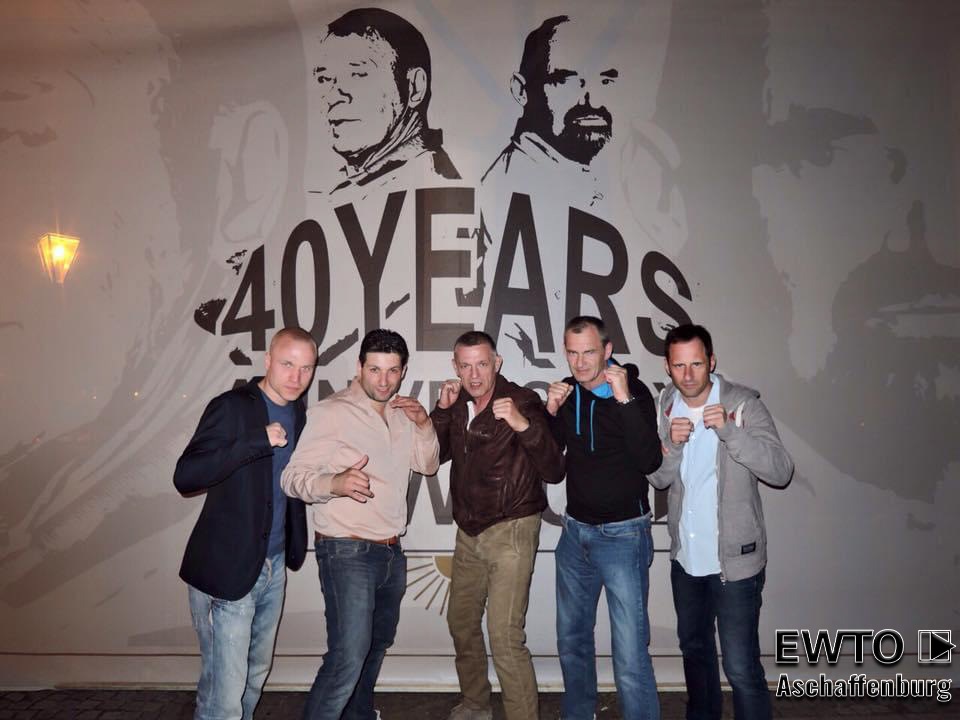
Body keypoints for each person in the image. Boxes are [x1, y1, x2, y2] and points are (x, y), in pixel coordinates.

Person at [281, 329, 439, 720]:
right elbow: (292, 478)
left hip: (391, 551)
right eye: (375, 370)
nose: (384, 381)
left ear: (403, 371)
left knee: (373, 649)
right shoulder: (331, 412)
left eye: (392, 371)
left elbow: (428, 464)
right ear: (359, 367)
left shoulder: (403, 413)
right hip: (346, 550)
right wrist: (333, 483)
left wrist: (423, 423)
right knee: (348, 657)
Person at [649, 324, 794, 720]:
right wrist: (672, 445)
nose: (688, 374)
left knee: (741, 667)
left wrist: (731, 432)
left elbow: (781, 471)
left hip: (736, 563)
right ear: (667, 367)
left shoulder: (743, 405)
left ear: (712, 362)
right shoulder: (666, 404)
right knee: (695, 656)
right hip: (686, 561)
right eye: (679, 365)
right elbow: (658, 478)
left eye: (696, 363)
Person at [173, 327, 318, 720]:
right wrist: (255, 440)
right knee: (225, 694)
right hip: (227, 568)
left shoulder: (298, 412)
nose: (296, 377)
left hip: (273, 565)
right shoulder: (232, 407)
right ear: (267, 361)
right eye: (287, 364)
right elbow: (186, 476)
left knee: (254, 677)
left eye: (306, 368)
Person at [430, 331, 565, 720]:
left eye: (482, 364)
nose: (474, 375)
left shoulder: (523, 401)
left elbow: (554, 469)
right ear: (455, 367)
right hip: (469, 530)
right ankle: (476, 703)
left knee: (505, 636)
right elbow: (435, 455)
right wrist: (442, 410)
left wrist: (523, 425)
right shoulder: (458, 404)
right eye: (466, 365)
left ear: (497, 363)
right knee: (461, 621)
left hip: (512, 527)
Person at [545, 315, 662, 720]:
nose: (579, 362)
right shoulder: (567, 392)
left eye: (589, 352)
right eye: (572, 353)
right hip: (575, 534)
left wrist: (624, 399)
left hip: (623, 535)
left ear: (607, 350)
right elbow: (550, 466)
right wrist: (549, 412)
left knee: (629, 652)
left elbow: (650, 461)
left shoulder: (634, 392)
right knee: (572, 641)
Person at [310, 7, 459, 195]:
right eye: (324, 79)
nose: (333, 96)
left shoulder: (430, 178)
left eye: (357, 74)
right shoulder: (353, 186)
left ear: (415, 87)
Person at [482, 15, 618, 195]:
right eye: (566, 81)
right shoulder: (512, 184)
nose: (593, 101)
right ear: (520, 91)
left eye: (605, 81)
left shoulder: (593, 182)